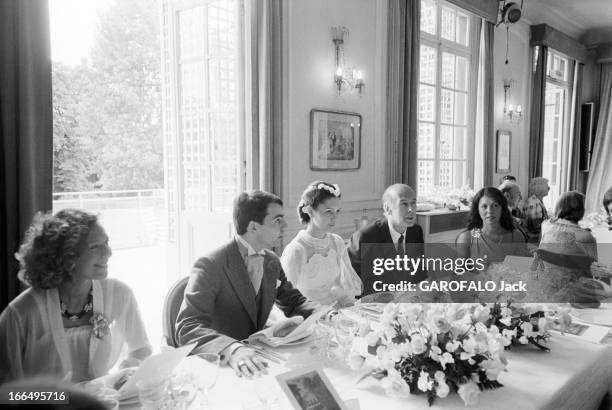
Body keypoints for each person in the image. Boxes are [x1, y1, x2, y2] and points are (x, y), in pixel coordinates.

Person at [175, 191, 319, 378]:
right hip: (221, 366)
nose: (285, 225)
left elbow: (293, 301)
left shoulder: (271, 261)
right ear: (253, 227)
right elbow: (187, 326)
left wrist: (326, 314)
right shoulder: (211, 264)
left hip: (259, 359)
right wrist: (233, 349)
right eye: (277, 220)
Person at [0, 209, 151, 383]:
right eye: (95, 246)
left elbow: (141, 350)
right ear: (65, 256)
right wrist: (69, 398)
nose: (108, 252)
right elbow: (8, 394)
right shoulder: (21, 314)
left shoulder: (119, 294)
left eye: (106, 243)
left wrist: (125, 379)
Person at [281, 182, 362, 306]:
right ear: (309, 211)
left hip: (334, 313)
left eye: (337, 211)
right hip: (307, 316)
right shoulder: (296, 250)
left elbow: (339, 287)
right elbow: (286, 300)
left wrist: (350, 307)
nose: (335, 217)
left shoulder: (336, 242)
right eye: (328, 211)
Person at [348, 184, 426, 296]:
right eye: (404, 204)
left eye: (413, 203)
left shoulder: (416, 231)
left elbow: (420, 273)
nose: (411, 209)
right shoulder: (365, 237)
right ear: (387, 208)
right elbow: (355, 285)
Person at [456, 187, 529, 264]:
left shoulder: (516, 236)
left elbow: (523, 271)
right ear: (477, 210)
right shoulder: (467, 238)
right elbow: (458, 274)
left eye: (495, 205)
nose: (490, 211)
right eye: (484, 206)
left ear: (502, 209)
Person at [541, 191, 598, 261]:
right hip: (572, 271)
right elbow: (594, 265)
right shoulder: (587, 237)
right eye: (583, 207)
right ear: (580, 210)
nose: (585, 209)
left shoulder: (545, 225)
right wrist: (585, 234)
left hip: (546, 270)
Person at [522, 177, 550, 243]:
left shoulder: (537, 201)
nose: (549, 188)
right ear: (540, 188)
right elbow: (534, 226)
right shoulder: (534, 203)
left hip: (537, 238)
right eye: (547, 186)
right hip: (534, 240)